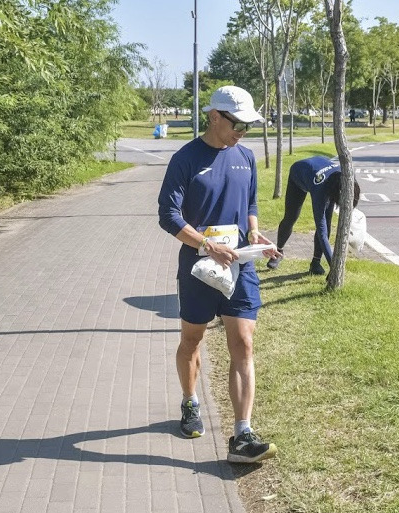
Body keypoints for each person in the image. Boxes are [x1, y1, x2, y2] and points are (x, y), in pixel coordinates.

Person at [158, 85, 280, 464]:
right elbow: (168, 215)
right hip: (199, 266)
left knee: (243, 342)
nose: (243, 132)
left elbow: (250, 203)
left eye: (248, 126)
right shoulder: (185, 159)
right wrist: (206, 245)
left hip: (239, 264)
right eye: (237, 124)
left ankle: (243, 434)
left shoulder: (246, 156)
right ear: (214, 117)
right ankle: (190, 401)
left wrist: (255, 232)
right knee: (192, 340)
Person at [266, 156, 360, 275]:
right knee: (291, 217)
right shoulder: (320, 189)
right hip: (299, 173)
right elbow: (321, 230)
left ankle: (316, 262)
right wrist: (334, 268)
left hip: (326, 176)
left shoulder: (348, 176)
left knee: (328, 221)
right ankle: (278, 252)